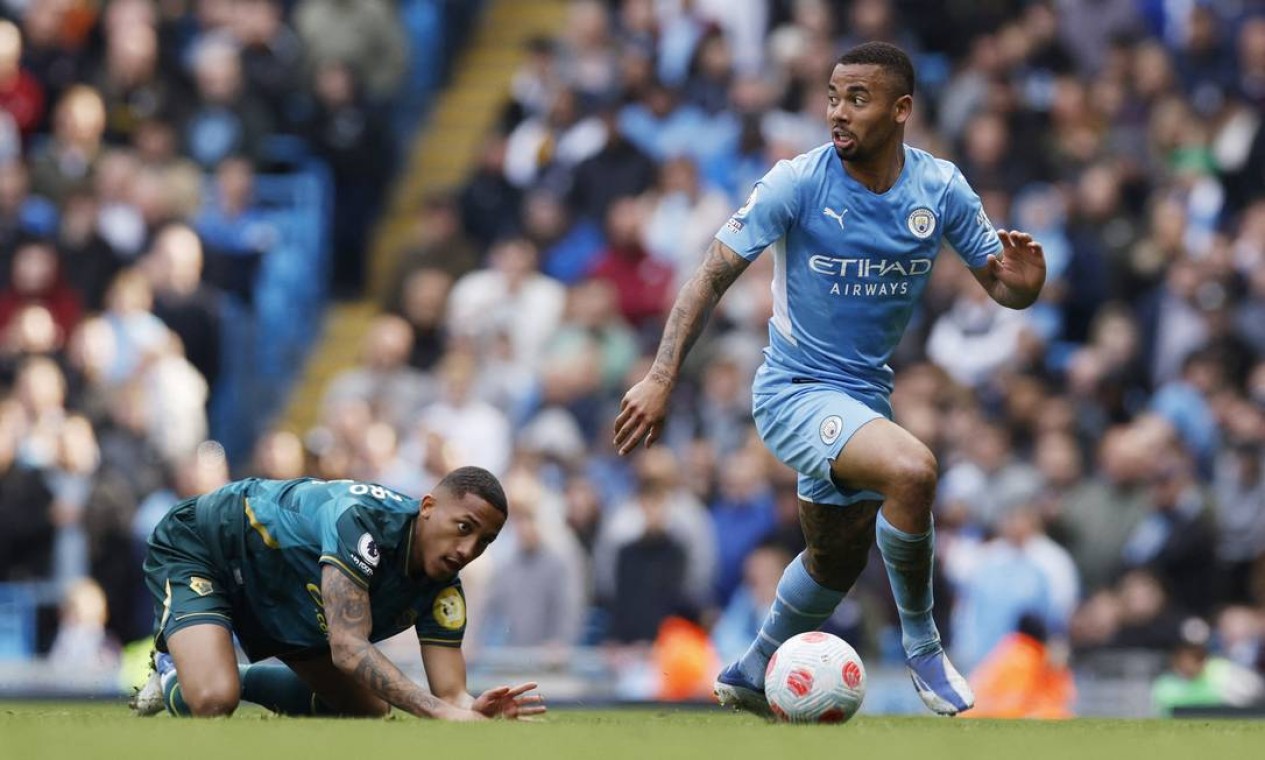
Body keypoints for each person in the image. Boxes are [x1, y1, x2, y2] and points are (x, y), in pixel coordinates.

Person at [613, 41, 1047, 717]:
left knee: (834, 562)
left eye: (857, 99)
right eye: (832, 97)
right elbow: (710, 275)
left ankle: (753, 668)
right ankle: (924, 647)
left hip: (862, 398)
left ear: (901, 109)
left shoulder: (938, 189)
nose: (836, 113)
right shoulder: (796, 181)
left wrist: (1023, 288)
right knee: (912, 468)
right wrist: (661, 376)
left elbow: (1002, 287)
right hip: (792, 391)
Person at [130, 466, 545, 720]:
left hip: (286, 588)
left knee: (368, 709)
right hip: (211, 544)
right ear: (429, 506)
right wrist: (440, 714)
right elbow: (348, 648)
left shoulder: (444, 591)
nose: (468, 550)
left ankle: (236, 677)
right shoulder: (362, 522)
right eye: (464, 527)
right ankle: (171, 671)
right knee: (212, 701)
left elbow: (450, 692)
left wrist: (473, 709)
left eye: (485, 542)